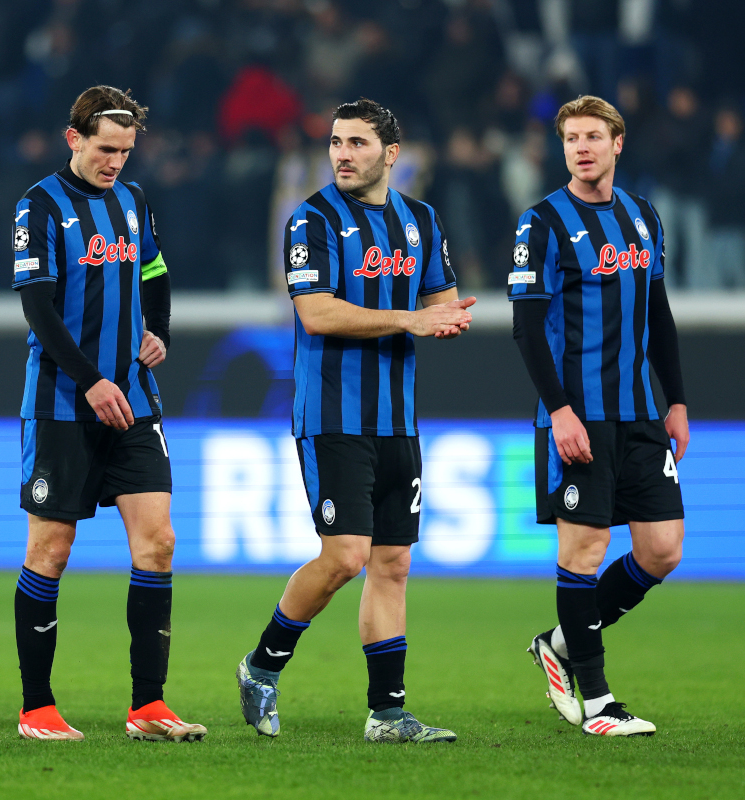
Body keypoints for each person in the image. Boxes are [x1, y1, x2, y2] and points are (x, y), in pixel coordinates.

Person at [235, 98, 473, 744]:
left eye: (357, 143)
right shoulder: (310, 220)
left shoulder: (421, 221)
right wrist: (410, 320)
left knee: (392, 562)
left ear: (391, 155)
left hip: (398, 418)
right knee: (344, 558)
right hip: (334, 414)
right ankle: (262, 665)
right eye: (336, 142)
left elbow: (440, 302)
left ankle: (387, 714)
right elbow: (317, 313)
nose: (342, 154)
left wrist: (446, 318)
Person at [11, 86, 205, 743]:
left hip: (134, 399)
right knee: (50, 549)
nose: (116, 161)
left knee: (159, 543)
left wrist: (160, 330)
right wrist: (90, 379)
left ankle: (147, 706)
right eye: (104, 149)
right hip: (63, 404)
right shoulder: (38, 207)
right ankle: (36, 708)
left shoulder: (133, 201)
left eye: (125, 150)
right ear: (74, 138)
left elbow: (154, 272)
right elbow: (38, 307)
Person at [509, 95, 687, 737]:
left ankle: (558, 644)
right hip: (578, 416)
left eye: (592, 136)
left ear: (617, 143)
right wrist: (559, 411)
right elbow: (526, 326)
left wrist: (677, 400)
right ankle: (599, 701)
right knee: (584, 549)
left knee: (662, 549)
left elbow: (658, 316)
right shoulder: (543, 222)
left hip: (642, 413)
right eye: (570, 138)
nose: (580, 147)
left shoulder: (644, 217)